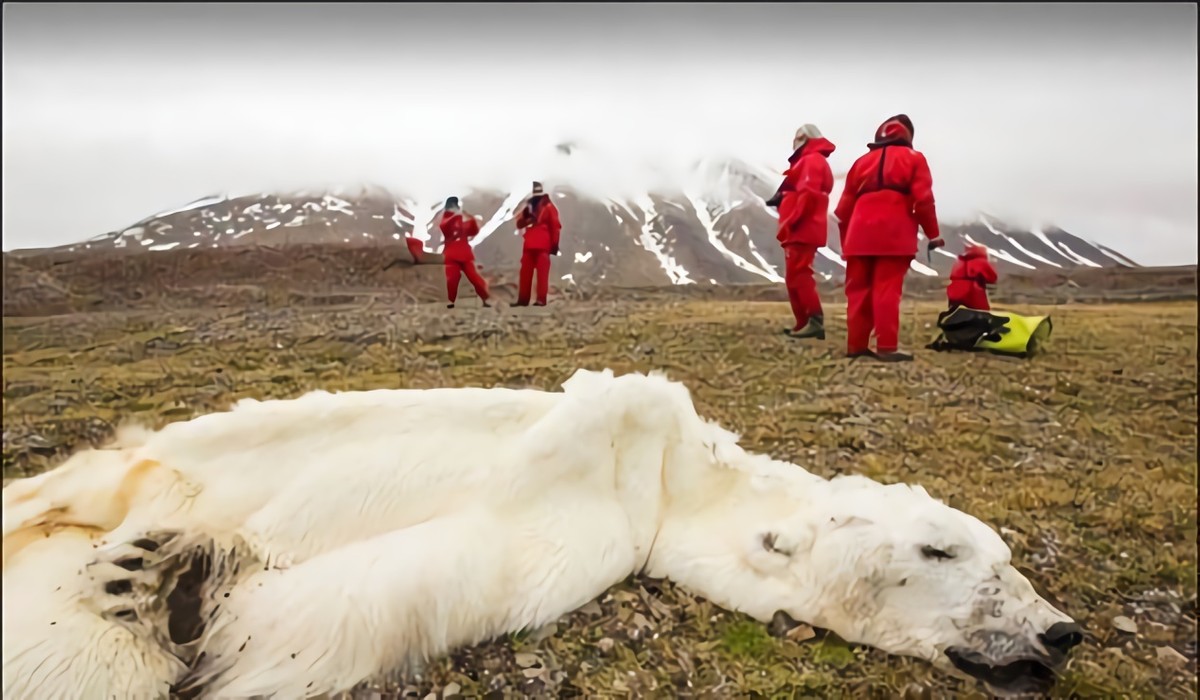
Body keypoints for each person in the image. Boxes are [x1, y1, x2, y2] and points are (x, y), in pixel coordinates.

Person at [833, 114, 945, 362]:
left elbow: (842, 211)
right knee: (887, 289)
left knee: (858, 291)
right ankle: (886, 346)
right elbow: (923, 200)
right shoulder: (915, 159)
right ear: (908, 136)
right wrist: (933, 234)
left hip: (858, 236)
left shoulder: (861, 163)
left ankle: (856, 346)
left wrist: (848, 242)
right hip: (894, 234)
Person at [765, 124, 836, 339]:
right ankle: (803, 322)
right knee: (794, 276)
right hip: (799, 228)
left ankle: (814, 320)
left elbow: (808, 194)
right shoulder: (808, 162)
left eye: (797, 138)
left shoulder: (812, 161)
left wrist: (792, 220)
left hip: (801, 228)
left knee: (800, 274)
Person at [513, 181, 562, 307]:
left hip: (532, 242)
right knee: (537, 273)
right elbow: (555, 227)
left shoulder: (531, 206)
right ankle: (537, 299)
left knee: (528, 272)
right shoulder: (548, 206)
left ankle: (525, 299)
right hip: (541, 243)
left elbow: (520, 223)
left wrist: (526, 219)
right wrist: (554, 245)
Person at [438, 196, 490, 309]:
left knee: (474, 277)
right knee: (452, 278)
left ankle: (485, 298)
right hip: (452, 253)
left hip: (464, 253)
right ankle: (451, 301)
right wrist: (458, 216)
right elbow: (445, 227)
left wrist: (468, 217)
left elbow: (473, 231)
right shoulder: (447, 218)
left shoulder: (461, 219)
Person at [947, 244, 998, 311]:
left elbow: (952, 276)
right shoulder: (982, 262)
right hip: (973, 294)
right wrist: (992, 265)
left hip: (954, 294)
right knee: (983, 314)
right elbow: (992, 278)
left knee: (954, 315)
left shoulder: (959, 261)